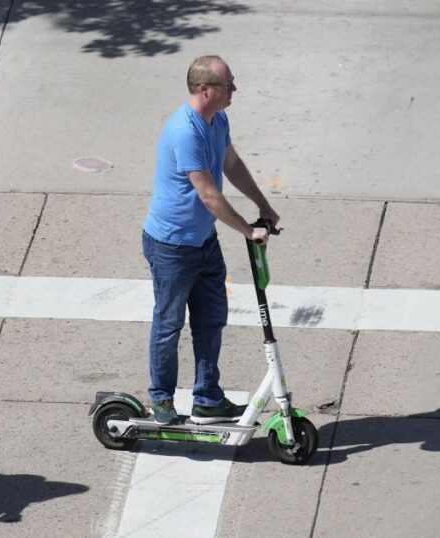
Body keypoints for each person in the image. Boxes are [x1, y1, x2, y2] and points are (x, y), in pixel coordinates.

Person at [142, 55, 279, 425]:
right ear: (205, 90)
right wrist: (249, 231)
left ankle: (206, 397)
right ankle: (162, 399)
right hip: (171, 246)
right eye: (228, 84)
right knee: (169, 324)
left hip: (203, 241)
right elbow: (208, 195)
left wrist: (263, 204)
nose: (234, 89)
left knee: (211, 319)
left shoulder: (217, 120)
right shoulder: (184, 132)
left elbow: (230, 165)